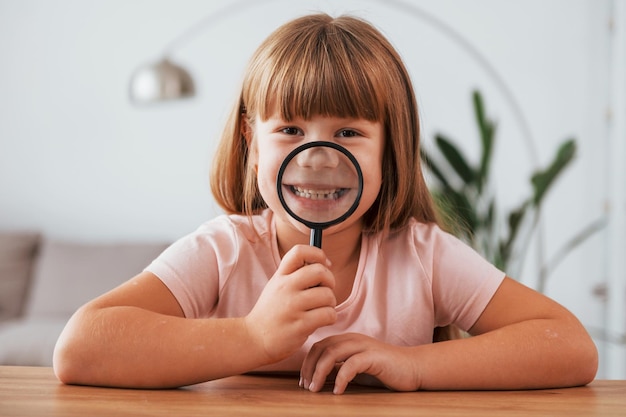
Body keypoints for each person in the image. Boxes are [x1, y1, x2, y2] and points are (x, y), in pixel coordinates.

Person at [53, 13, 597, 394]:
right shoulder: (224, 251)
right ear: (251, 142)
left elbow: (570, 346)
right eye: (290, 128)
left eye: (348, 133)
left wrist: (412, 364)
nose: (318, 158)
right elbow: (79, 348)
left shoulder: (422, 256)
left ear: (391, 146)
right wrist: (252, 335)